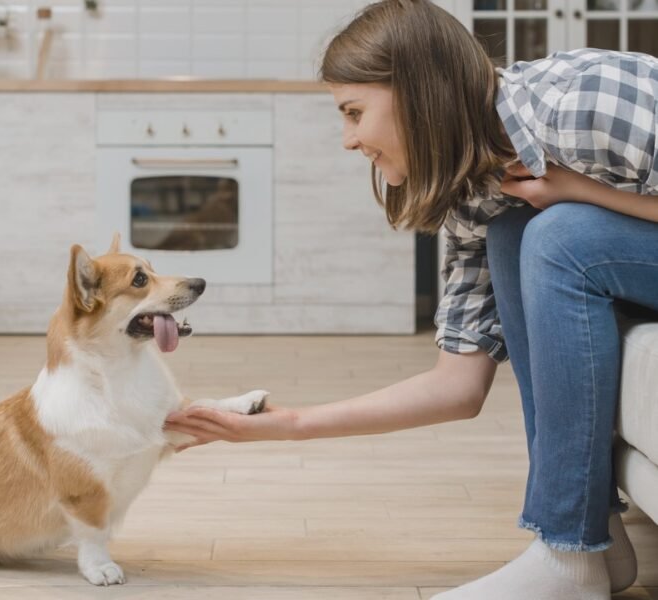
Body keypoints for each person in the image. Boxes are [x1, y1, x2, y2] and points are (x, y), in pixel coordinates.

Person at [164, 1, 658, 598]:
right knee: (517, 232)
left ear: (420, 92)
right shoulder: (479, 193)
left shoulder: (581, 103)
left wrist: (576, 190)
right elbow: (458, 386)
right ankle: (592, 536)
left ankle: (566, 558)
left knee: (555, 235)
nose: (348, 140)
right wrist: (284, 426)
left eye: (354, 112)